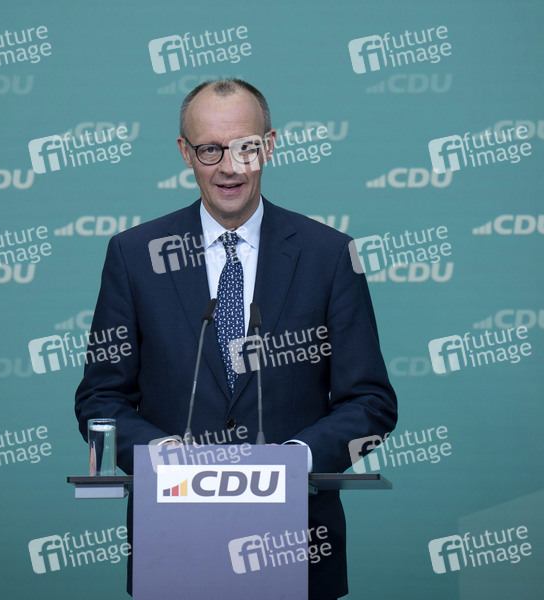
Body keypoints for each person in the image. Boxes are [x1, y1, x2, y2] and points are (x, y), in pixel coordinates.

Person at [75, 78, 397, 599]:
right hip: (172, 545)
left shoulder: (329, 255)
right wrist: (162, 456)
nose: (230, 167)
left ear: (268, 146)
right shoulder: (136, 256)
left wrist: (293, 461)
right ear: (186, 153)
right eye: (210, 149)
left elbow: (370, 401)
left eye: (245, 147)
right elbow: (100, 399)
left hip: (298, 545)